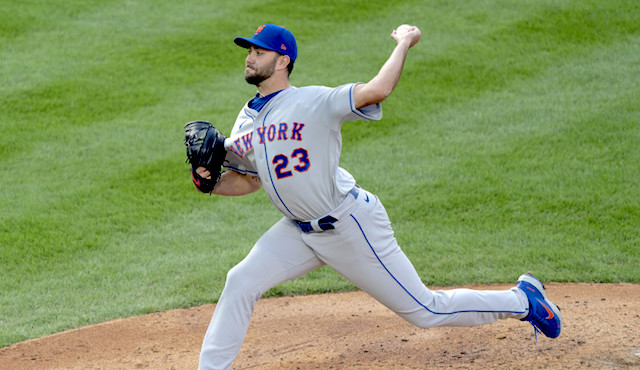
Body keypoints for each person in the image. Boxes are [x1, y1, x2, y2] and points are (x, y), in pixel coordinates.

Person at [194, 23, 562, 370]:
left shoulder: (315, 102)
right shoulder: (246, 119)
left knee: (425, 310)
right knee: (240, 280)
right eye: (249, 51)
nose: (249, 57)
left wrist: (403, 42)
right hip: (298, 231)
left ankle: (523, 301)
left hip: (349, 224)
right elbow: (251, 180)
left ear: (283, 60)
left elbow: (377, 89)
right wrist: (210, 182)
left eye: (259, 51)